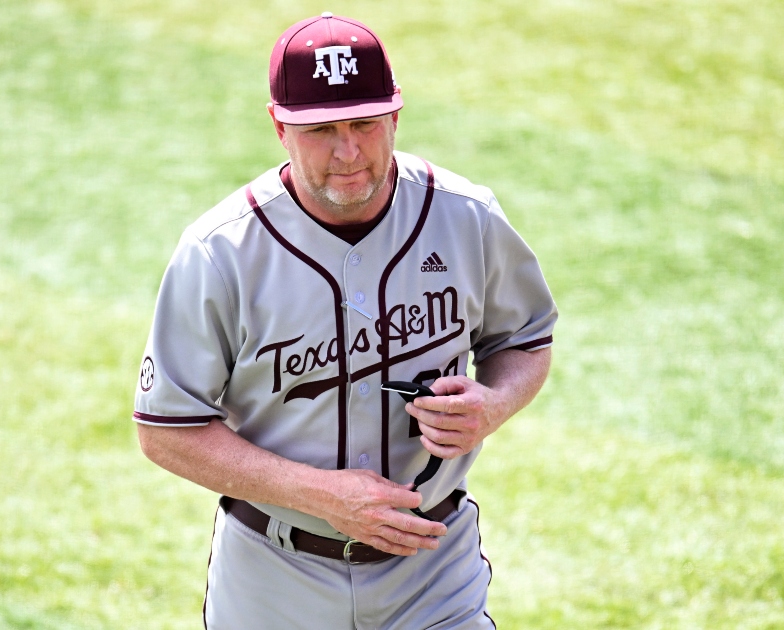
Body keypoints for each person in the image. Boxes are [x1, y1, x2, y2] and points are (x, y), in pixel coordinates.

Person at [133, 12, 557, 629]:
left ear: (396, 115)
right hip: (275, 580)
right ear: (279, 127)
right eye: (321, 129)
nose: (347, 151)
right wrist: (320, 494)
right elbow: (166, 428)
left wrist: (493, 401)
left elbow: (524, 339)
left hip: (433, 571)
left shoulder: (466, 217)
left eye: (364, 123)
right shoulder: (220, 253)